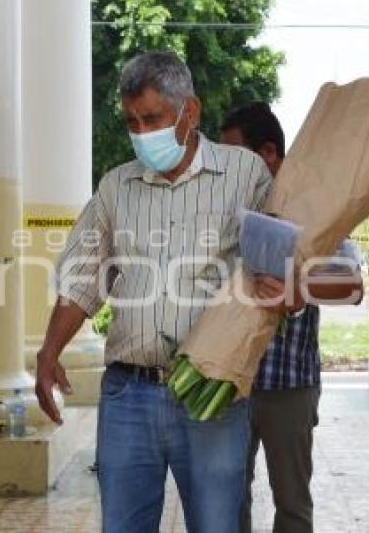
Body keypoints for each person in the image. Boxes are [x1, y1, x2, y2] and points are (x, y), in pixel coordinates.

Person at [35, 51, 284, 533]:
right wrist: (49, 353)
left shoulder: (245, 175)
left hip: (211, 393)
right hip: (129, 394)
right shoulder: (116, 187)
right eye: (132, 121)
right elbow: (82, 277)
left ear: (189, 112)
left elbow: (278, 261)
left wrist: (283, 285)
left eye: (152, 118)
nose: (141, 132)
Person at [220, 102, 364, 533]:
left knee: (293, 505)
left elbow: (352, 284)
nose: (225, 166)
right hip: (230, 384)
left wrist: (297, 294)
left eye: (234, 154)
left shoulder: (317, 209)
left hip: (290, 385)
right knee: (227, 502)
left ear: (267, 154)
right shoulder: (226, 209)